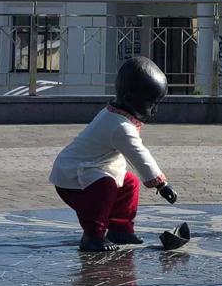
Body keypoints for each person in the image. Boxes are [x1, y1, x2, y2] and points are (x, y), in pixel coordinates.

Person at [49, 56, 180, 251]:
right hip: (73, 177)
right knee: (105, 186)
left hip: (90, 170)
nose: (155, 111)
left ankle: (121, 229)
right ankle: (93, 236)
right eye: (152, 104)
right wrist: (162, 185)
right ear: (129, 99)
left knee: (130, 184)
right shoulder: (120, 126)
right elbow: (139, 155)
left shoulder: (115, 114)